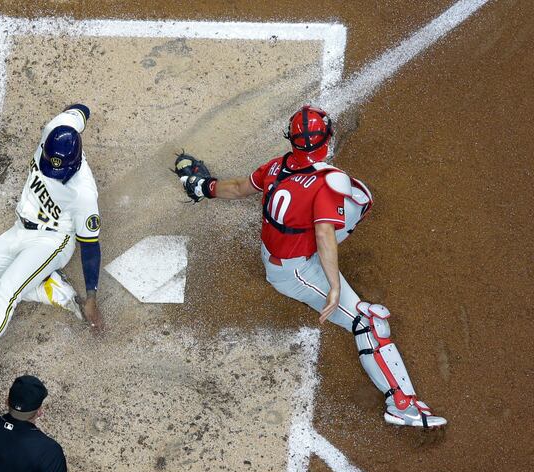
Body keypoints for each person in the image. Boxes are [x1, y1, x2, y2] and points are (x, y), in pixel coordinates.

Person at [174, 105, 446, 428]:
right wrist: (333, 286)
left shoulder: (276, 167)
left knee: (344, 194)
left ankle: (400, 399)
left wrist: (202, 186)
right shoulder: (324, 182)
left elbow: (235, 188)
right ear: (325, 141)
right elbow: (324, 233)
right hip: (296, 272)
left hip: (277, 251)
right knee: (368, 322)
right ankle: (401, 404)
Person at [0, 104, 104, 394]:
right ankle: (46, 290)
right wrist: (78, 115)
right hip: (18, 230)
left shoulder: (83, 193)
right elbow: (80, 110)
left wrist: (91, 296)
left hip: (51, 242)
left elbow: (90, 247)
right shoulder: (57, 128)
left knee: (6, 293)